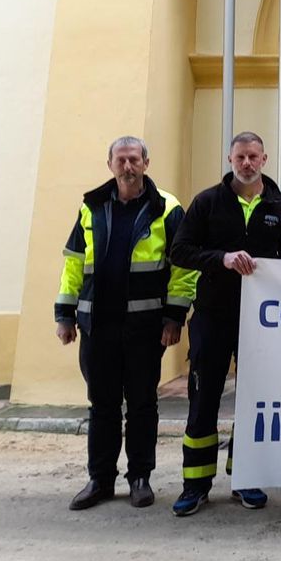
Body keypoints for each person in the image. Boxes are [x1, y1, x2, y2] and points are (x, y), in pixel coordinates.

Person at [55, 136, 195, 511]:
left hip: (145, 327)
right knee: (101, 404)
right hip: (97, 324)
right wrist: (65, 314)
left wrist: (174, 317)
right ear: (110, 164)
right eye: (121, 160)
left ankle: (140, 478)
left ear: (146, 163)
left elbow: (182, 268)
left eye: (134, 160)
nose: (128, 167)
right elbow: (73, 264)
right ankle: (99, 479)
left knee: (142, 404)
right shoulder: (91, 207)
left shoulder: (167, 208)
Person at [168, 131, 281, 517]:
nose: (246, 163)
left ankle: (246, 477)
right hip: (212, 314)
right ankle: (196, 483)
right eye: (240, 156)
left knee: (254, 399)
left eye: (253, 156)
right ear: (229, 159)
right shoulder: (207, 202)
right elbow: (181, 251)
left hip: (263, 320)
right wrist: (222, 258)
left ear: (265, 159)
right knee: (204, 396)